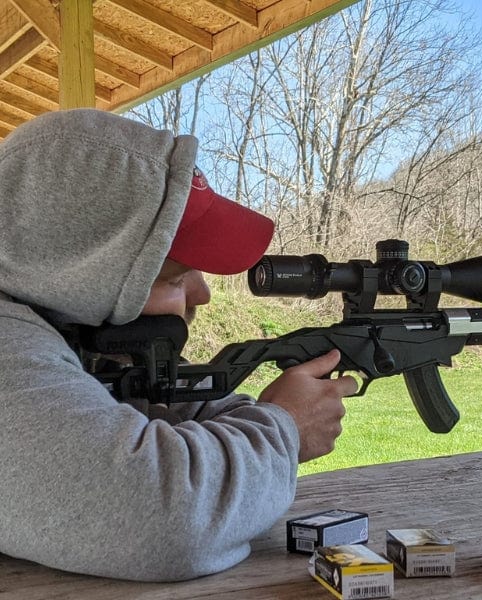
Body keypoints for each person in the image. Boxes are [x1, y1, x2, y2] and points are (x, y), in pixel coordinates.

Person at [0, 109, 357, 581]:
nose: (203, 294)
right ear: (77, 275)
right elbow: (161, 519)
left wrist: (266, 425)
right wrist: (284, 430)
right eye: (174, 275)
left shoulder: (68, 334)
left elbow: (173, 408)